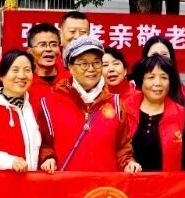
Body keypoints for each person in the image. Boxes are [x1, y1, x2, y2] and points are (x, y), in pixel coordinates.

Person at [37, 37, 139, 172]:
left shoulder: (115, 103)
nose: (91, 69)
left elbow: (123, 146)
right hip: (66, 182)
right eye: (84, 63)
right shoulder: (51, 102)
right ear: (70, 67)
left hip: (104, 184)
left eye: (96, 63)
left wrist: (128, 163)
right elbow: (43, 143)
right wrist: (47, 157)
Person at [125, 54, 185, 172]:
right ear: (141, 81)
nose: (158, 83)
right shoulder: (123, 109)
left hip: (169, 182)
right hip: (127, 182)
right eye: (151, 77)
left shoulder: (182, 115)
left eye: (164, 77)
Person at [141, 35, 185, 103]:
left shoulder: (184, 92)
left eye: (164, 54)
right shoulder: (134, 89)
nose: (159, 59)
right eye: (154, 55)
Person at [26, 23, 64, 96]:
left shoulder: (70, 79)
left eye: (54, 45)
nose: (48, 49)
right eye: (42, 45)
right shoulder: (25, 81)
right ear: (30, 51)